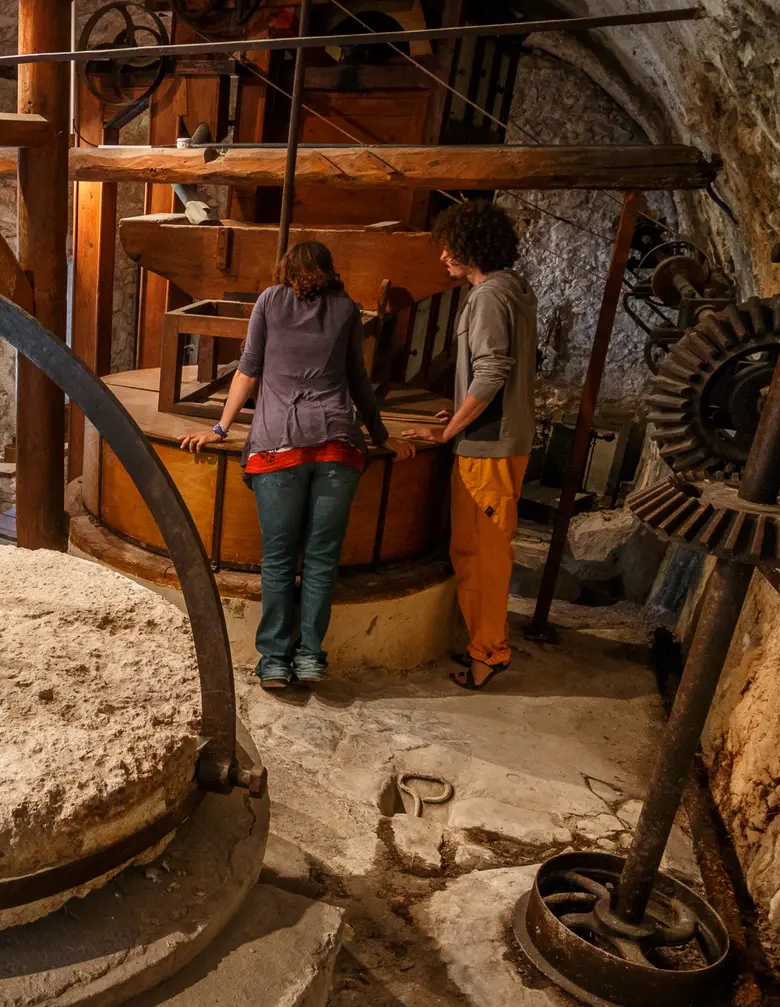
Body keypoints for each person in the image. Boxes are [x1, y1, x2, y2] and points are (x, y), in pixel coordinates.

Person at [183, 242, 415, 690]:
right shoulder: (347, 307)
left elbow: (248, 369)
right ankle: (309, 657)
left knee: (278, 561)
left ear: (285, 270)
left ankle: (273, 660)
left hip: (278, 449)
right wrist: (382, 437)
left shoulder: (270, 301)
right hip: (337, 450)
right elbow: (358, 381)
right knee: (321, 561)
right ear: (331, 271)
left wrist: (219, 428)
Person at [403, 201, 537, 690]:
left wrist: (448, 430)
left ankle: (488, 653)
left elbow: (493, 370)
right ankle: (489, 645)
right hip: (502, 439)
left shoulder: (486, 297)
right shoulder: (513, 291)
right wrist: (459, 408)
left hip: (488, 447)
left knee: (479, 557)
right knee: (486, 553)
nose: (443, 256)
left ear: (471, 246)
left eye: (449, 246)